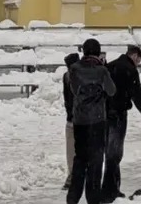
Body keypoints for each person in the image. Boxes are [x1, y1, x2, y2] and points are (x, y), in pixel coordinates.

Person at [102, 46, 141, 203]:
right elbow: (136, 95)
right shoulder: (129, 70)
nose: (139, 63)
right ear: (134, 56)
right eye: (139, 60)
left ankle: (112, 188)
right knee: (115, 153)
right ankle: (109, 191)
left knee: (109, 152)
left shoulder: (110, 65)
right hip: (118, 114)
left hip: (105, 114)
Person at [66, 38, 116, 204]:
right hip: (97, 121)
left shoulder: (74, 69)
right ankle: (93, 198)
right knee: (95, 162)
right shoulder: (101, 70)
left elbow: (73, 89)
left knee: (80, 159)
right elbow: (111, 91)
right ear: (98, 52)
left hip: (80, 121)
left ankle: (73, 197)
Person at [62, 51, 81, 189]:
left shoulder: (70, 77)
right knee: (73, 150)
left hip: (78, 118)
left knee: (73, 150)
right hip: (76, 118)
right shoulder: (67, 77)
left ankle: (74, 175)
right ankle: (73, 175)